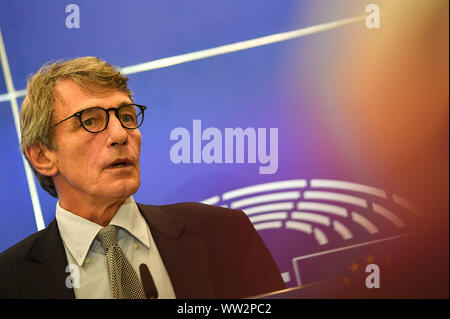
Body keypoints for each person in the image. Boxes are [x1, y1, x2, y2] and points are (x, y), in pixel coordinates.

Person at [0, 57, 286, 299]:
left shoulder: (224, 234)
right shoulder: (8, 281)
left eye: (126, 116)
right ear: (43, 156)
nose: (120, 135)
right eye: (90, 121)